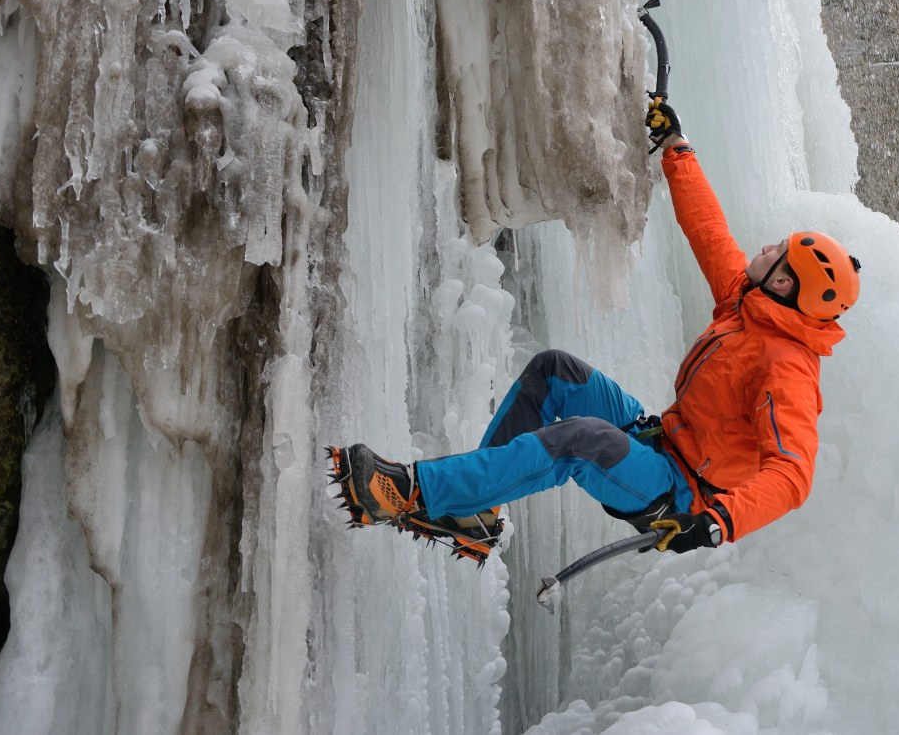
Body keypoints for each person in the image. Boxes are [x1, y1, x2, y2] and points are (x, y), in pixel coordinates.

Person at [325, 98, 861, 564]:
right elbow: (710, 234)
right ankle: (475, 513)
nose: (764, 248)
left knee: (578, 440)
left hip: (679, 495)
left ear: (786, 281)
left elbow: (792, 476)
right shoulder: (749, 305)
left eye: (777, 253)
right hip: (661, 442)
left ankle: (410, 493)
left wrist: (718, 523)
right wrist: (676, 147)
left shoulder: (787, 366)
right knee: (555, 371)